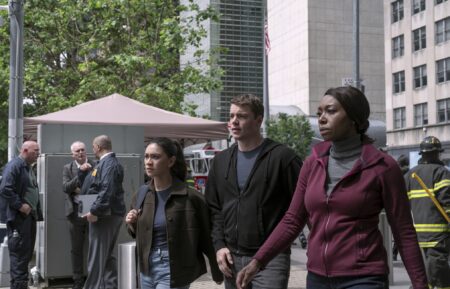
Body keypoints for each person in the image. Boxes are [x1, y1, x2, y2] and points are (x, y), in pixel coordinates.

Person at [236, 86, 428, 289]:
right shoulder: (312, 162)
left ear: (354, 117)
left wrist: (420, 284)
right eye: (319, 113)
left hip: (364, 278)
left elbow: (403, 230)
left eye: (331, 111)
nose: (322, 118)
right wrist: (258, 261)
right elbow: (292, 220)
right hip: (317, 278)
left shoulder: (383, 166)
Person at [205, 94, 302, 289]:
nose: (234, 121)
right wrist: (219, 245)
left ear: (259, 120)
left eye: (241, 116)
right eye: (231, 115)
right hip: (230, 256)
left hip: (271, 258)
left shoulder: (283, 158)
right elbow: (214, 209)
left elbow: (300, 210)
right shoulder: (220, 161)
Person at [125, 137, 223, 289]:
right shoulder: (142, 194)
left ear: (170, 161)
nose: (148, 162)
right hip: (146, 269)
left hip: (173, 268)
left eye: (155, 157)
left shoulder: (190, 197)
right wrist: (132, 222)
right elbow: (136, 233)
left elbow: (207, 237)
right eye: (146, 156)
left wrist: (217, 272)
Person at [404, 136, 450, 288]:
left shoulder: (410, 175)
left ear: (421, 154)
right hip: (438, 232)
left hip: (417, 233)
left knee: (423, 268)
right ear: (437, 154)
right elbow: (447, 202)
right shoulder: (441, 172)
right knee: (438, 269)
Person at [81, 135, 126, 289]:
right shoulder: (106, 163)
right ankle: (110, 286)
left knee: (96, 258)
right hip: (108, 214)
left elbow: (107, 190)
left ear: (98, 147)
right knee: (106, 257)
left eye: (93, 147)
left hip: (105, 216)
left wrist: (94, 211)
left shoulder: (108, 164)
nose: (92, 150)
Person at [0, 141, 43, 289]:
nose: (38, 153)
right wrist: (20, 205)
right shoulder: (15, 166)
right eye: (35, 151)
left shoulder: (28, 167)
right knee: (19, 257)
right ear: (25, 150)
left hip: (28, 218)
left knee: (25, 256)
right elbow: (5, 189)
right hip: (19, 218)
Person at [62, 141, 96, 289]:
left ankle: (94, 279)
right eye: (77, 151)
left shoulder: (96, 165)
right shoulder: (68, 168)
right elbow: (65, 187)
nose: (81, 153)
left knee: (95, 246)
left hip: (92, 208)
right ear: (73, 154)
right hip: (75, 211)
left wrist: (80, 189)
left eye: (82, 150)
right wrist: (80, 173)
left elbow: (99, 185)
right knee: (76, 248)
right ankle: (78, 281)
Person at [392, 154, 410, 261]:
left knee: (399, 232)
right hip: (409, 203)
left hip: (400, 205)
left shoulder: (396, 173)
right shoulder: (410, 173)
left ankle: (394, 253)